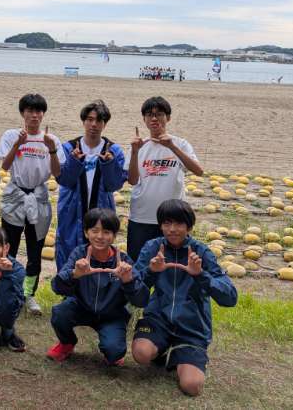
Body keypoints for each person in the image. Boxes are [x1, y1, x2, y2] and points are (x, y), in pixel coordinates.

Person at [132, 200, 237, 396]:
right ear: (160, 225)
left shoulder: (201, 252)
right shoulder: (152, 247)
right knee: (141, 354)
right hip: (158, 319)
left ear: (189, 227)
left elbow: (230, 298)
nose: (172, 229)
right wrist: (151, 272)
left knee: (192, 386)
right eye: (167, 223)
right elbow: (135, 294)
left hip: (191, 327)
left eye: (179, 223)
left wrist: (200, 275)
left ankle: (180, 352)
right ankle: (164, 349)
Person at [47, 208, 148, 366]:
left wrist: (128, 280)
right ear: (86, 232)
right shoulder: (79, 254)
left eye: (106, 232)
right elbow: (57, 287)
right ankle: (67, 343)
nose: (100, 236)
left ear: (114, 235)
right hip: (81, 307)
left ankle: (111, 349)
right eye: (95, 231)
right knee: (60, 313)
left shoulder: (124, 262)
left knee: (114, 352)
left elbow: (141, 301)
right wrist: (74, 274)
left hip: (112, 314)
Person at [0, 93, 64, 316]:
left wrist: (51, 149)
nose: (34, 115)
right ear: (22, 113)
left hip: (39, 196)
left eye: (38, 111)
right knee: (9, 246)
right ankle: (9, 288)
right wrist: (18, 144)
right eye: (30, 111)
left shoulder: (51, 139)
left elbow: (57, 172)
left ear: (43, 114)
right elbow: (5, 166)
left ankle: (28, 293)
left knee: (35, 250)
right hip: (15, 195)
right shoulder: (11, 135)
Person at [126, 96, 203, 262]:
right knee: (138, 265)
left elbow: (198, 171)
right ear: (144, 120)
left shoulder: (180, 144)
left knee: (173, 265)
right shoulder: (138, 146)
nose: (154, 118)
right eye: (149, 114)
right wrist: (135, 152)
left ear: (168, 118)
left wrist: (172, 147)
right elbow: (132, 180)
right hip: (141, 216)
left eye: (159, 114)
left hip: (173, 220)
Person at [56, 100, 127, 269]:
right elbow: (64, 180)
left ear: (104, 124)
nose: (94, 124)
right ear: (83, 121)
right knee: (68, 249)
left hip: (102, 207)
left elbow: (114, 185)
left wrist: (109, 164)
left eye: (99, 120)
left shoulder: (113, 150)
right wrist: (74, 161)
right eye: (89, 119)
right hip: (71, 209)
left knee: (99, 249)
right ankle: (67, 284)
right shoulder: (68, 148)